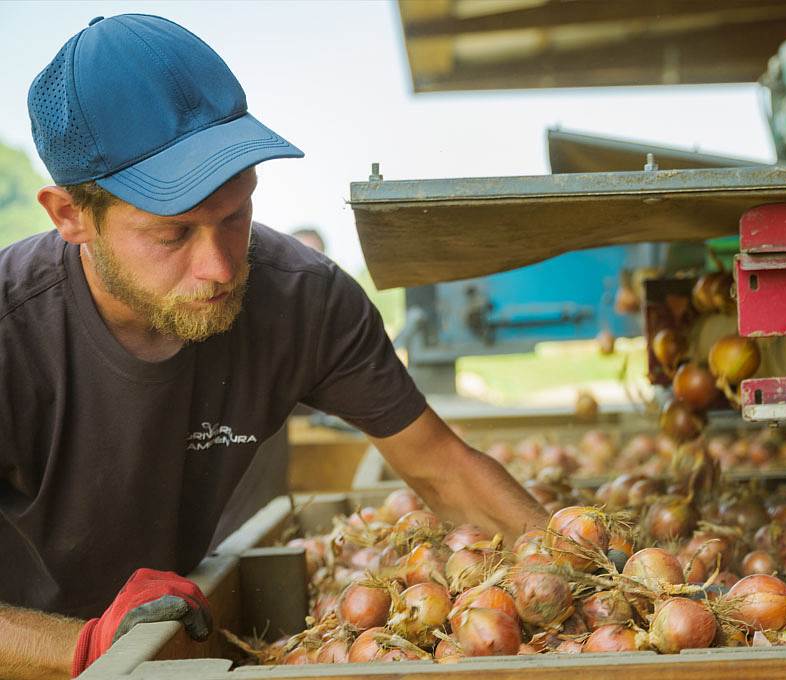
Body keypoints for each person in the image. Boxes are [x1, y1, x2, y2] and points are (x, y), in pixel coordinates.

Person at [0, 14, 547, 680]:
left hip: (183, 635)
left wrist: (568, 570)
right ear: (70, 216)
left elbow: (443, 469)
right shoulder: (12, 334)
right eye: (173, 235)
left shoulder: (302, 300)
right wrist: (84, 648)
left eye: (236, 216)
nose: (222, 269)